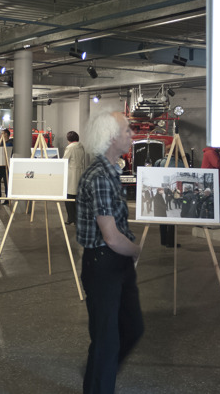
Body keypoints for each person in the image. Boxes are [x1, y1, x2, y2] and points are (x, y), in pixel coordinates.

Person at [76, 110, 143, 394]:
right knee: (106, 340)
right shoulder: (100, 176)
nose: (131, 135)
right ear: (112, 137)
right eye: (127, 130)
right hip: (104, 264)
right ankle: (99, 382)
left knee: (132, 327)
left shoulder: (112, 171)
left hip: (116, 264)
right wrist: (136, 249)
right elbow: (112, 237)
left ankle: (99, 372)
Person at [63, 130, 85, 225]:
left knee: (68, 197)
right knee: (77, 198)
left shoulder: (70, 147)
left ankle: (71, 218)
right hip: (80, 173)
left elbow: (65, 161)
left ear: (69, 139)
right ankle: (77, 219)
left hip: (71, 174)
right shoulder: (81, 146)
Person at [201, 146, 220, 223]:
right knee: (216, 201)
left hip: (211, 180)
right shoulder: (211, 153)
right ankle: (217, 220)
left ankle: (218, 219)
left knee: (216, 201)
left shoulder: (213, 152)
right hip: (211, 181)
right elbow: (217, 164)